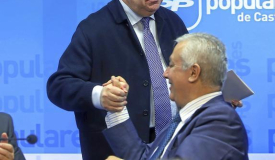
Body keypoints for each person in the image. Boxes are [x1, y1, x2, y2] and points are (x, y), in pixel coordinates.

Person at [46, 0, 188, 159]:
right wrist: (99, 96)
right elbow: (59, 86)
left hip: (173, 145)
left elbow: (189, 76)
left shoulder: (173, 22)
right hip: (115, 151)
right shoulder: (93, 29)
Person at [103, 33, 249, 160]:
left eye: (171, 65)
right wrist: (117, 108)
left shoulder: (221, 120)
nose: (165, 74)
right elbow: (144, 157)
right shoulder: (181, 120)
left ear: (193, 73)